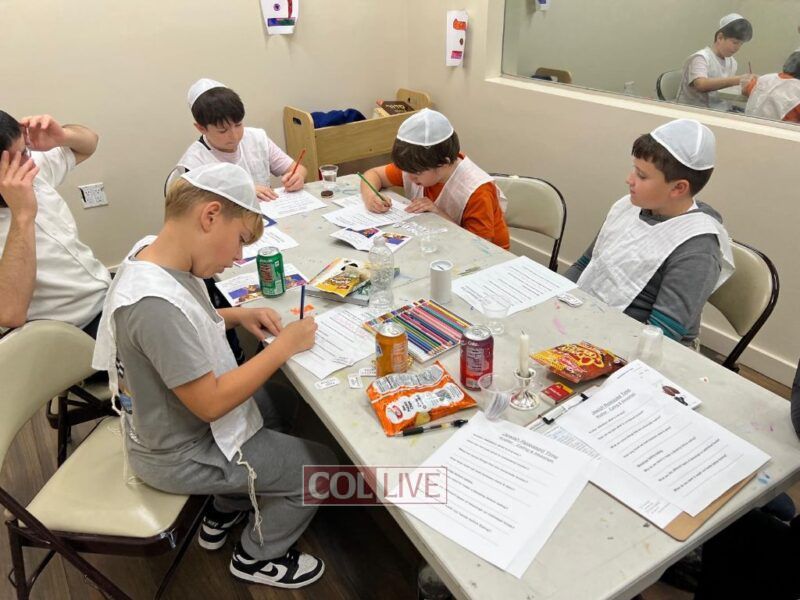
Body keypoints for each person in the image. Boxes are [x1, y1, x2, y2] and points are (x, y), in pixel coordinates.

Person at [92, 163, 332, 588]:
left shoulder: (152, 252)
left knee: (280, 400)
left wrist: (237, 315)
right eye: (240, 240)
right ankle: (256, 555)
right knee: (321, 466)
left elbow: (188, 322)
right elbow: (211, 403)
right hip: (180, 454)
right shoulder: (153, 306)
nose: (238, 257)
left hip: (172, 425)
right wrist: (284, 347)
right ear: (210, 216)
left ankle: (225, 505)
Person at [565, 119, 735, 346]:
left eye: (642, 176)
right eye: (634, 170)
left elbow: (662, 335)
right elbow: (585, 264)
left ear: (678, 188)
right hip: (591, 319)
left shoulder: (697, 250)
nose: (629, 180)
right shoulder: (628, 207)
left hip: (641, 345)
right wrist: (555, 298)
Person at [0, 111, 110, 337]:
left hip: (104, 296)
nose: (28, 165)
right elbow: (9, 313)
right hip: (67, 333)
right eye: (12, 164)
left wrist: (64, 136)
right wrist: (22, 216)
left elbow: (89, 143)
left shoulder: (31, 168)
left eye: (24, 152)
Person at [359, 109, 510, 249]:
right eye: (407, 171)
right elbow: (373, 174)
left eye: (416, 173)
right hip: (442, 243)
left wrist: (438, 213)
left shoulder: (477, 191)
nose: (410, 177)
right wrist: (371, 197)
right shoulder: (418, 165)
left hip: (488, 257)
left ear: (444, 163)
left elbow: (480, 246)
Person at [176, 78, 306, 200]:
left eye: (238, 125)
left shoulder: (257, 139)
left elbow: (298, 169)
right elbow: (197, 208)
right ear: (201, 128)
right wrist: (243, 192)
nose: (234, 135)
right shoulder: (195, 163)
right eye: (223, 130)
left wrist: (298, 177)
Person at [676, 13, 755, 111]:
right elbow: (701, 85)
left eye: (741, 44)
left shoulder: (732, 62)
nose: (737, 48)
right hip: (695, 112)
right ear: (720, 37)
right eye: (735, 42)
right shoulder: (701, 58)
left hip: (722, 110)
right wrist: (737, 80)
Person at [744, 49, 800, 123]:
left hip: (750, 125)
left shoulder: (764, 79)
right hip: (779, 129)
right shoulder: (797, 90)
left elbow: (745, 90)